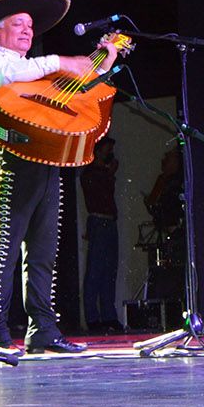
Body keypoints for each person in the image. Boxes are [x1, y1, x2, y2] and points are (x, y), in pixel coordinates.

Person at [0, 0, 119, 355]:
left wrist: (101, 63)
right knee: (4, 246)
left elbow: (78, 90)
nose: (27, 30)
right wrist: (59, 62)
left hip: (46, 158)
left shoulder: (35, 70)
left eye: (29, 25)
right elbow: (6, 79)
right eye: (18, 23)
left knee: (43, 251)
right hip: (10, 158)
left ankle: (42, 328)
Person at [79, 134, 122, 331]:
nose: (110, 155)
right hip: (98, 221)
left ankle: (108, 315)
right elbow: (98, 193)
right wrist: (109, 173)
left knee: (109, 271)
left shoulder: (103, 172)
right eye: (107, 151)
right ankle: (93, 318)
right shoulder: (90, 174)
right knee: (95, 271)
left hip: (109, 222)